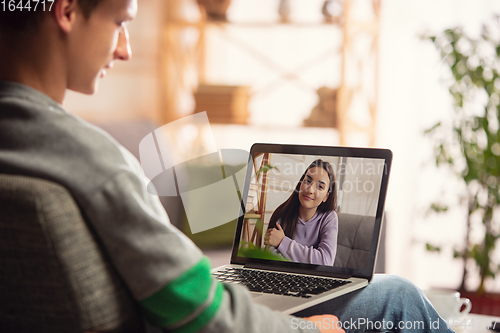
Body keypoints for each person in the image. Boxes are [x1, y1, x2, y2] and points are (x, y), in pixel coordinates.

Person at [0, 1, 454, 332]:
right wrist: (309, 330)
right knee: (399, 296)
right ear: (66, 11)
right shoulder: (96, 162)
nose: (126, 50)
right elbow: (197, 306)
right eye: (120, 23)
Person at [264, 159, 338, 265]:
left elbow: (325, 261)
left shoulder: (329, 217)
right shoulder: (282, 214)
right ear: (301, 183)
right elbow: (273, 261)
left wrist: (282, 242)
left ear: (326, 196)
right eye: (307, 181)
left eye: (320, 187)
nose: (310, 190)